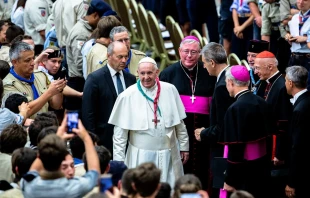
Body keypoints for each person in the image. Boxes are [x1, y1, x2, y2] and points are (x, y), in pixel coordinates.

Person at [108, 57, 189, 187]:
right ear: (137, 73)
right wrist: (119, 164)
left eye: (150, 73)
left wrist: (184, 147)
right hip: (141, 156)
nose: (146, 77)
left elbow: (179, 123)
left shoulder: (170, 90)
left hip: (169, 153)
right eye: (142, 73)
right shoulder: (127, 96)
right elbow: (119, 136)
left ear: (157, 72)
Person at [159, 35, 216, 189]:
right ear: (179, 51)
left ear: (200, 54)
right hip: (178, 133)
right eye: (186, 51)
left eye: (194, 52)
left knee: (203, 169)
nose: (189, 56)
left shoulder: (208, 73)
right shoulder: (168, 74)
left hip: (203, 133)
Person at [219, 65, 272, 198]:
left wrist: (229, 179)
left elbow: (235, 147)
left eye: (226, 83)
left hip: (242, 171)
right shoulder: (261, 102)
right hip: (261, 167)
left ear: (231, 83)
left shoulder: (235, 108)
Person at [21, 116, 101, 198]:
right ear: (62, 163)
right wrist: (86, 138)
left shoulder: (28, 183)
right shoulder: (71, 188)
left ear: (39, 156)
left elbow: (35, 167)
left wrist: (56, 139)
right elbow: (94, 173)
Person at [194, 42, 235, 198]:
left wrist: (204, 133)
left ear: (212, 62)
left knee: (220, 188)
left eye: (204, 63)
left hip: (223, 150)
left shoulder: (221, 87)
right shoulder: (228, 76)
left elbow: (223, 126)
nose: (204, 67)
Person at [82, 42, 136, 154]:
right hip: (104, 138)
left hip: (128, 138)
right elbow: (88, 113)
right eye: (120, 57)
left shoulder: (130, 79)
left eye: (126, 56)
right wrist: (92, 139)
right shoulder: (94, 79)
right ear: (108, 56)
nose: (124, 60)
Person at [254, 51, 292, 197]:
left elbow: (283, 123)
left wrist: (279, 153)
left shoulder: (282, 87)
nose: (255, 71)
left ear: (270, 67)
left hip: (277, 148)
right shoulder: (267, 82)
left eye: (258, 68)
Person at [66, 0, 112, 111]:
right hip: (77, 83)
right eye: (102, 19)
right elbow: (80, 63)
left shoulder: (88, 29)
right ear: (95, 15)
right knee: (75, 119)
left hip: (83, 81)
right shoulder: (81, 33)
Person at [3, 41, 66, 119]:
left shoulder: (40, 75)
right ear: (15, 62)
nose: (33, 63)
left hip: (44, 126)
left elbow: (56, 105)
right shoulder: (7, 84)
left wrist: (59, 89)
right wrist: (49, 92)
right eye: (27, 60)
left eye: (33, 58)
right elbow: (23, 113)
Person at [284, 66, 310, 198]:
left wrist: (291, 182)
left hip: (302, 174)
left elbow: (297, 147)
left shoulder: (300, 109)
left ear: (290, 83)